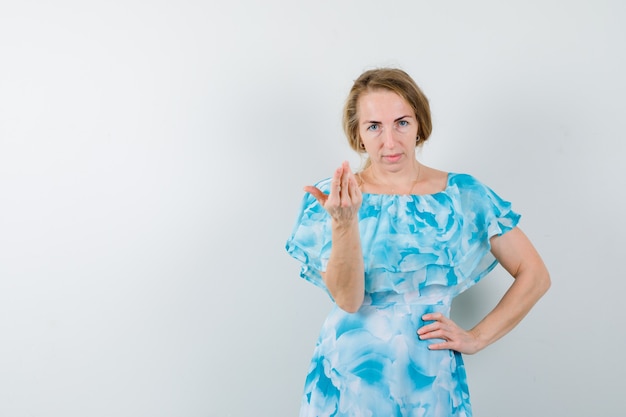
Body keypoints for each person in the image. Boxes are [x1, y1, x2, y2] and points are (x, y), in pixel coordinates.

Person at [285, 67, 550, 417]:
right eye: (374, 126)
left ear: (420, 124)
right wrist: (345, 223)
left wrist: (477, 337)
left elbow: (534, 274)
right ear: (358, 134)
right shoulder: (338, 198)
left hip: (430, 380)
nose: (390, 142)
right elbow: (348, 301)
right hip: (349, 380)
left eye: (402, 122)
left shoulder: (462, 194)